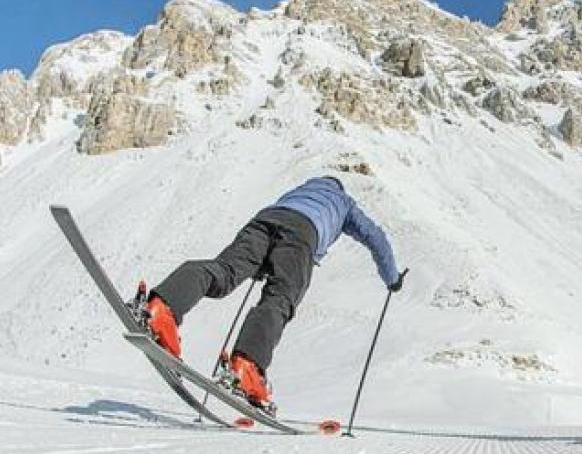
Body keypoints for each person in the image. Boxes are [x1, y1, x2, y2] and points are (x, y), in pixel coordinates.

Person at [143, 176, 406, 412]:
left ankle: (161, 307)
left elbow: (279, 229)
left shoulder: (298, 192)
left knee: (224, 272)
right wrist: (392, 279)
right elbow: (376, 238)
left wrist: (264, 262)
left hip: (264, 220)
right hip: (303, 234)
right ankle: (246, 367)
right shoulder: (344, 203)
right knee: (279, 298)